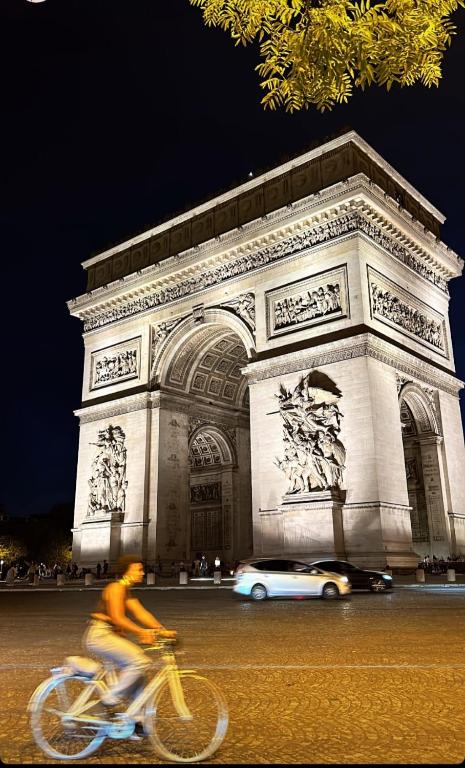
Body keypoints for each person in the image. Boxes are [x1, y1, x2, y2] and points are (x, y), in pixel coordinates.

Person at [83, 553, 176, 726]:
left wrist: (162, 631)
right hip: (100, 635)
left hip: (107, 636)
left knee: (138, 676)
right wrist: (141, 632)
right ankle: (109, 700)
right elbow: (118, 618)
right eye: (138, 569)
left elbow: (141, 613)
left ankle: (136, 719)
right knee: (139, 660)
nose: (142, 572)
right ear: (128, 571)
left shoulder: (126, 591)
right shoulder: (116, 588)